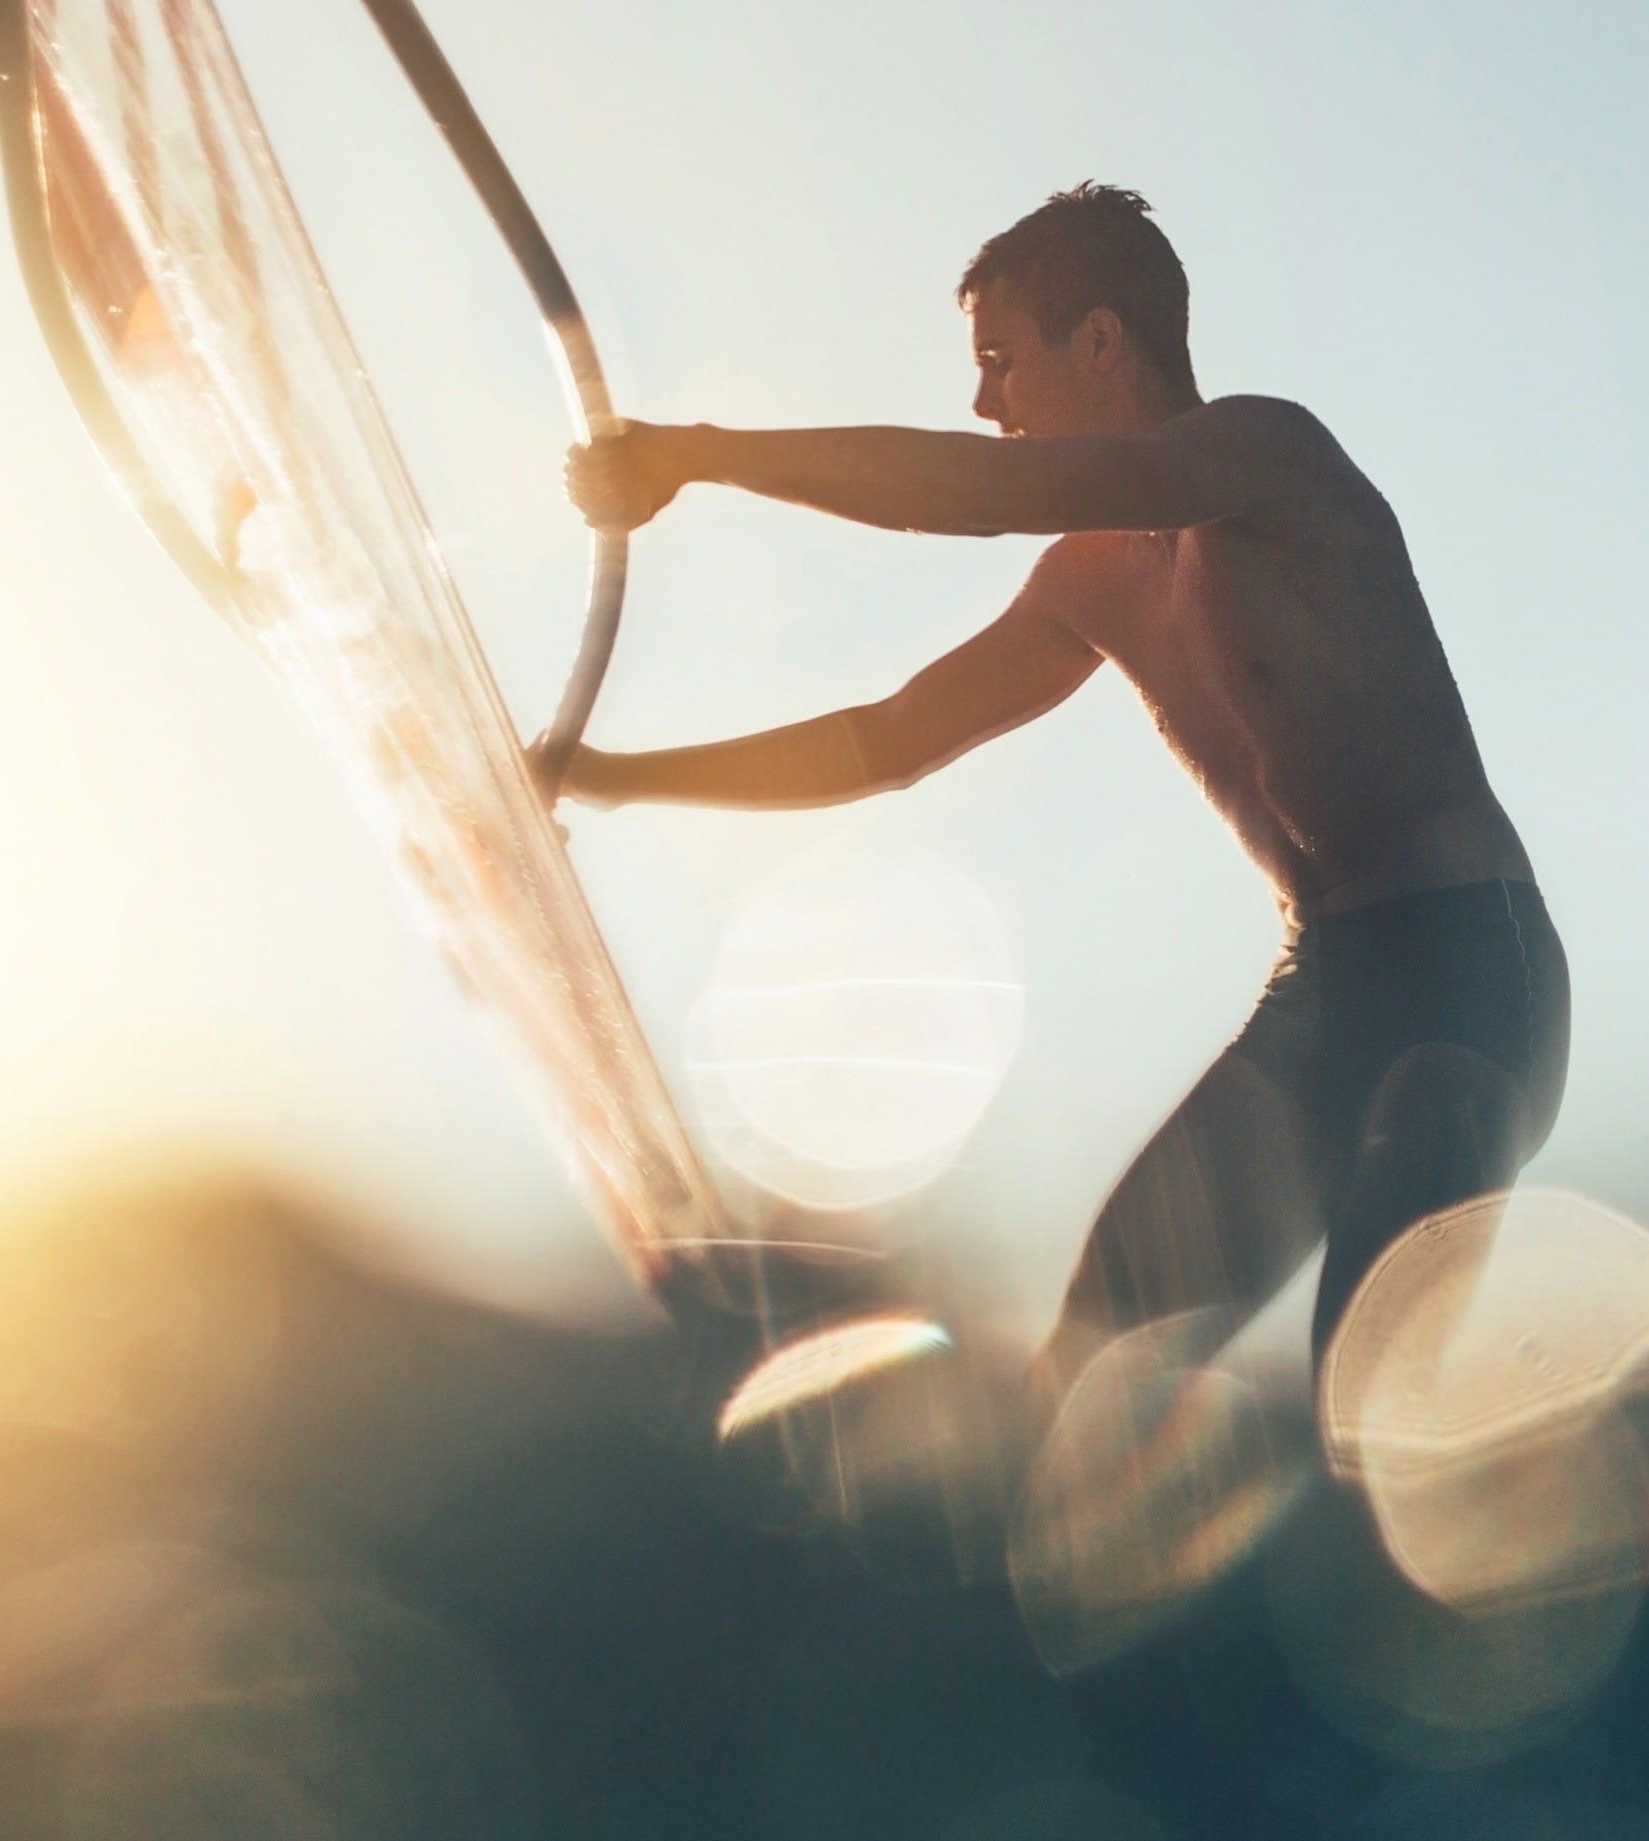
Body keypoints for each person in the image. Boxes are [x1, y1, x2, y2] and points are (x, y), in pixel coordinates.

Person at [561, 184, 1564, 1391]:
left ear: (1099, 340)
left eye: (1000, 361)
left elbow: (979, 500)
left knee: (1372, 1381)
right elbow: (889, 739)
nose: (985, 404)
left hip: (1469, 965)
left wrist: (700, 455)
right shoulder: (1089, 579)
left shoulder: (1267, 457)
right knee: (1099, 1352)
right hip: (1324, 983)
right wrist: (610, 776)